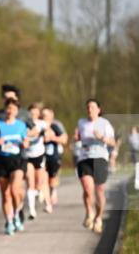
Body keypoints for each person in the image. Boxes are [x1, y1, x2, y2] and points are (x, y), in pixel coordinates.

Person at [75, 98, 115, 233]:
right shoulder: (81, 122)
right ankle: (89, 213)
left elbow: (113, 142)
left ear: (99, 109)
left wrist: (102, 138)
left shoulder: (105, 123)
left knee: (99, 190)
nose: (89, 110)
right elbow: (78, 136)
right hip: (84, 158)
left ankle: (99, 218)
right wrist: (76, 137)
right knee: (87, 189)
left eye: (92, 107)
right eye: (88, 107)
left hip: (100, 158)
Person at [0, 100, 29, 235]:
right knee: (5, 194)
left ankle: (16, 214)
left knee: (15, 190)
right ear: (5, 110)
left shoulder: (21, 125)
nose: (10, 111)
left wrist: (24, 143)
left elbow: (26, 140)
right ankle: (9, 221)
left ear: (17, 111)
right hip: (2, 160)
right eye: (8, 108)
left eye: (13, 109)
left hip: (17, 160)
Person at [22, 103, 51, 218]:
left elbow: (49, 134)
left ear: (39, 113)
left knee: (39, 184)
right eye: (31, 112)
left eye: (35, 112)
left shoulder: (42, 123)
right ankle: (32, 211)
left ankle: (39, 193)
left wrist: (45, 134)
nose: (33, 114)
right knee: (30, 182)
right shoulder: (24, 124)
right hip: (27, 156)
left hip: (39, 155)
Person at [41, 107, 68, 208]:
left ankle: (53, 191)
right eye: (42, 115)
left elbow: (64, 139)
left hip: (54, 155)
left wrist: (52, 138)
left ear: (51, 115)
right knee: (43, 177)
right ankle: (47, 202)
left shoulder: (56, 125)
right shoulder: (38, 125)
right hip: (41, 155)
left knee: (52, 178)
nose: (43, 117)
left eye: (46, 115)